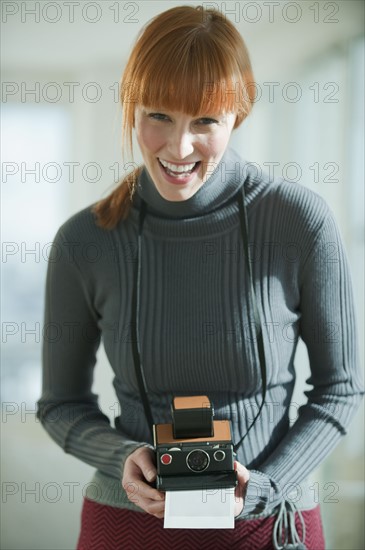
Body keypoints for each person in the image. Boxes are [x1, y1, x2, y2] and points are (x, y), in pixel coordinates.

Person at [37, 5, 363, 550]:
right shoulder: (85, 240)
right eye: (158, 115)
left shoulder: (299, 220)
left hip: (268, 523)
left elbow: (340, 390)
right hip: (129, 523)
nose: (179, 148)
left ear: (238, 115)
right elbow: (60, 403)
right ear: (130, 106)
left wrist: (265, 486)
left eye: (205, 121)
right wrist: (124, 456)